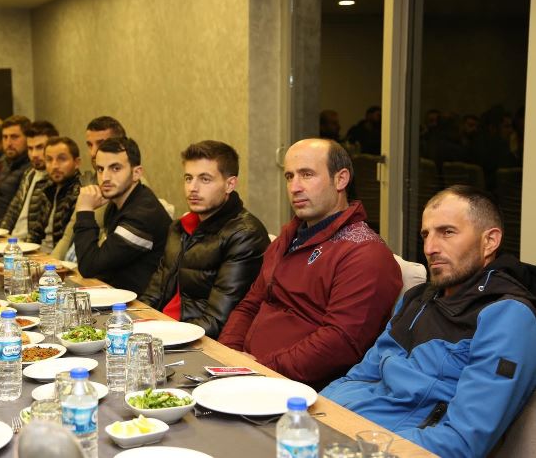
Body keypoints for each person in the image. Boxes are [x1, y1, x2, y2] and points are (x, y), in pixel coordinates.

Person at [322, 186, 536, 458]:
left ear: (490, 241)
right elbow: (360, 375)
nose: (430, 248)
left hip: (386, 449)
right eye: (426, 234)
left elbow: (461, 441)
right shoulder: (416, 299)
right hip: (342, 435)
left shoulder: (508, 316)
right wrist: (313, 415)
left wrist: (365, 448)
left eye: (447, 232)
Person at [218, 138, 402, 388]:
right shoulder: (289, 236)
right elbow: (250, 304)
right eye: (289, 176)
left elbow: (339, 344)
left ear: (341, 179)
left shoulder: (366, 253)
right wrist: (228, 356)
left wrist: (260, 369)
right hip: (244, 374)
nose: (294, 187)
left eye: (307, 175)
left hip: (297, 390)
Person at [140, 141, 270, 338]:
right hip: (161, 330)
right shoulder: (178, 228)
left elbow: (218, 321)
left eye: (205, 179)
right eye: (188, 178)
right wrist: (134, 323)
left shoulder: (245, 235)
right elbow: (154, 293)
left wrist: (161, 336)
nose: (193, 188)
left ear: (230, 184)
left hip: (195, 340)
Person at [73, 137, 170, 294]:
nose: (105, 177)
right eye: (100, 169)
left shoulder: (142, 215)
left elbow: (89, 267)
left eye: (115, 168)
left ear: (136, 173)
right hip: (118, 296)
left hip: (142, 304)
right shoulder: (117, 204)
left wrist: (85, 210)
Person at [52, 116, 127, 260]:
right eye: (89, 145)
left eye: (101, 144)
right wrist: (51, 265)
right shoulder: (91, 181)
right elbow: (69, 234)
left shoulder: (125, 187)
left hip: (93, 266)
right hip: (73, 264)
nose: (93, 153)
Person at [0, 121, 59, 239]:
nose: (34, 154)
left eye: (40, 147)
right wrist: (1, 235)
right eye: (30, 148)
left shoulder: (55, 180)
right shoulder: (29, 173)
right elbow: (12, 211)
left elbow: (39, 230)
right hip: (12, 241)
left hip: (29, 245)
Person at [33, 137, 82, 252]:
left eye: (62, 159)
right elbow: (35, 232)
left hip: (57, 257)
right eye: (49, 160)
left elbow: (69, 243)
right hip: (38, 253)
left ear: (77, 163)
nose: (54, 166)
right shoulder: (46, 188)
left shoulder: (80, 192)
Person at [0, 115, 32, 225]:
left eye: (14, 137)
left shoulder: (31, 168)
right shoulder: (4, 163)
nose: (8, 143)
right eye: (5, 137)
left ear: (28, 139)